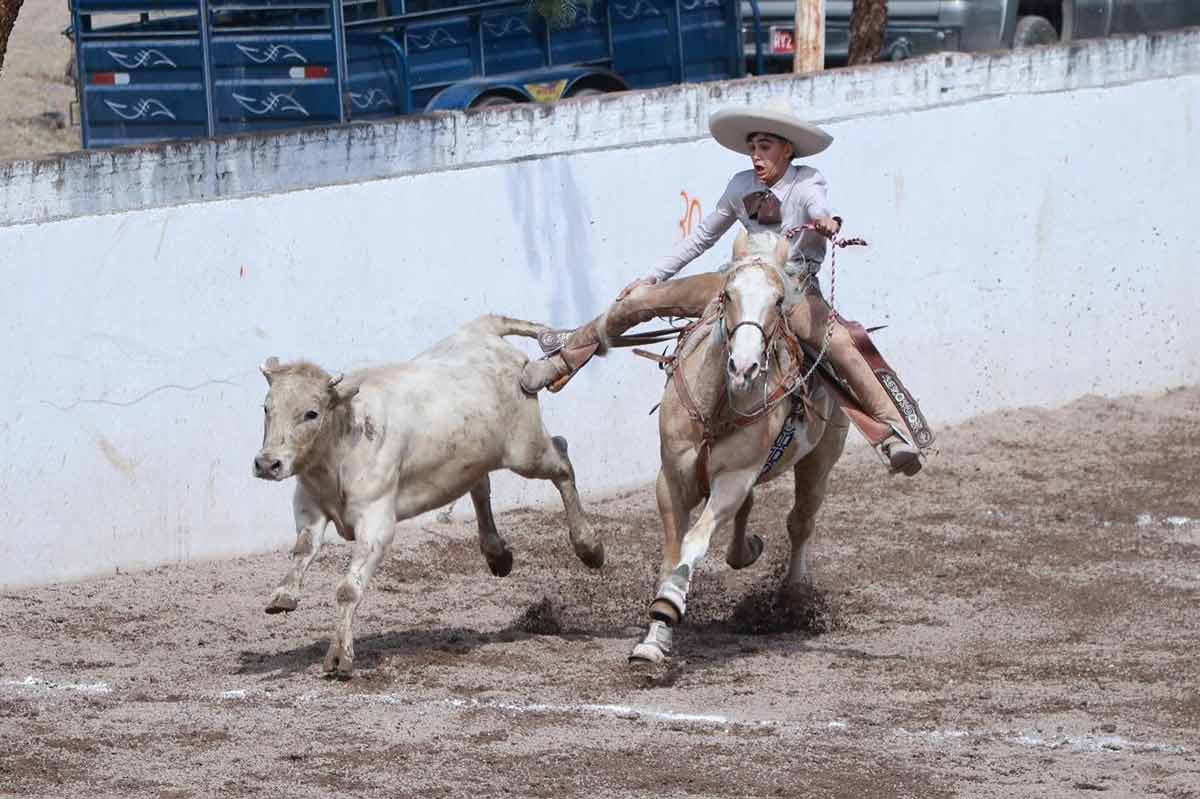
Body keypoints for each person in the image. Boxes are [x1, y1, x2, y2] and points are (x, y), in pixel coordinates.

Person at [520, 100, 925, 475]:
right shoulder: (739, 185)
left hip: (794, 291)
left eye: (764, 147)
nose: (755, 155)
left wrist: (826, 222)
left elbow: (820, 208)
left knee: (840, 346)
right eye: (752, 147)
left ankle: (890, 434)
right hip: (738, 282)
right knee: (641, 300)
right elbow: (702, 237)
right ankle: (565, 358)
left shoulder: (807, 183)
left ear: (787, 150)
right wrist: (653, 277)